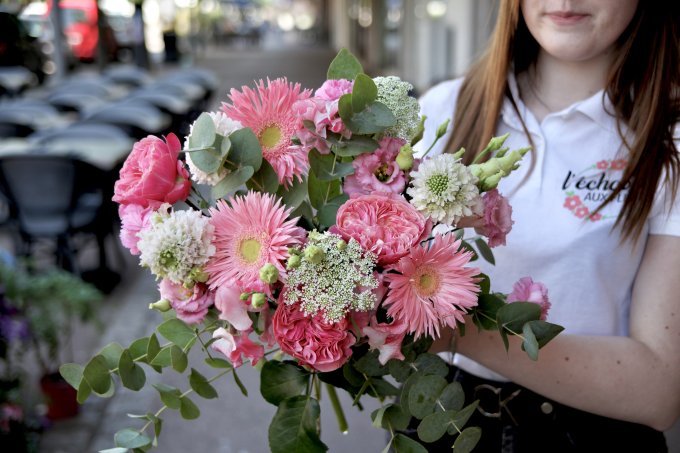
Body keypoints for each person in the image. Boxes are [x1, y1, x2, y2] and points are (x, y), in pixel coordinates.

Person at [416, 0, 680, 451]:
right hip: (436, 422)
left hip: (590, 434)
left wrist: (461, 332)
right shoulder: (445, 109)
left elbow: (659, 391)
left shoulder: (668, 136)